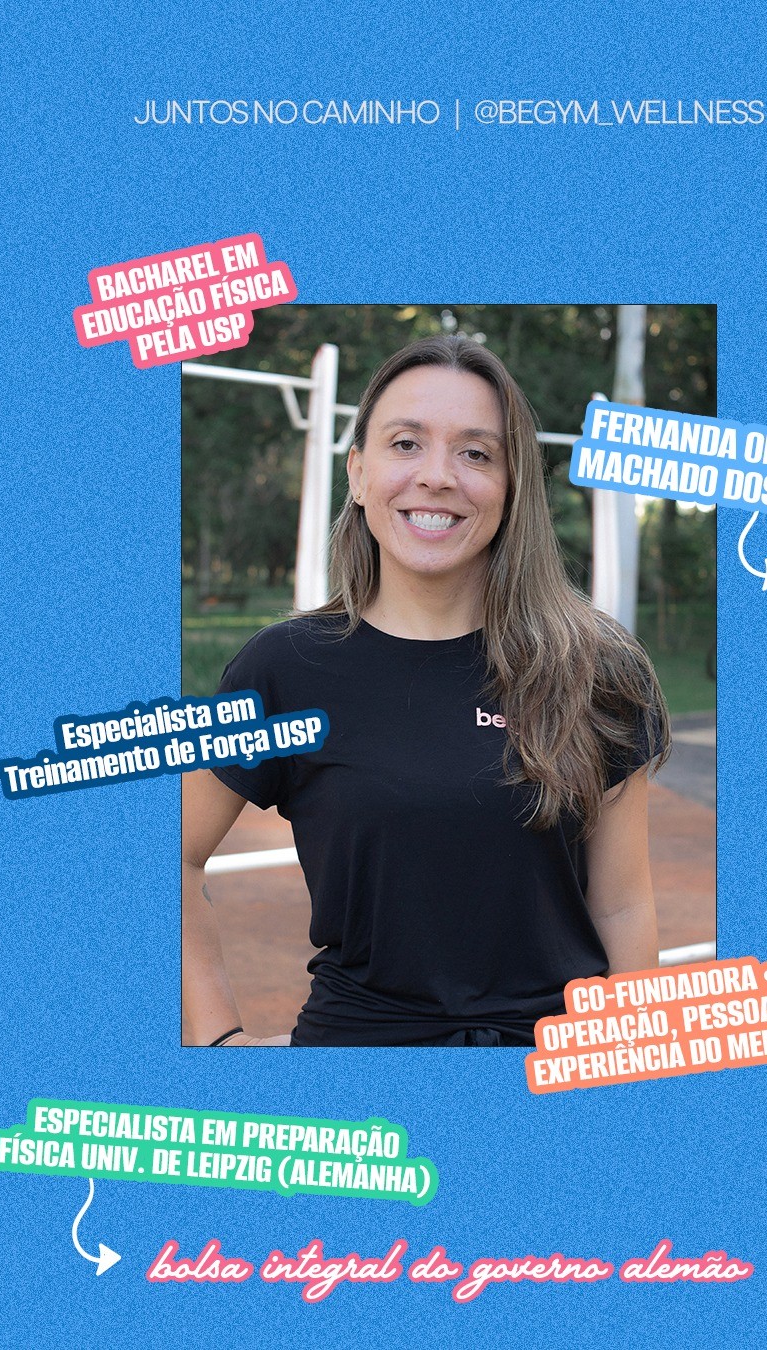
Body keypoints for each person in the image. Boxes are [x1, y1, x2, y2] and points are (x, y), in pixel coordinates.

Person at [182, 335, 670, 1047]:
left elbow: (623, 908)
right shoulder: (283, 670)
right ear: (357, 472)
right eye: (406, 443)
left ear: (510, 486)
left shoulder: (594, 668)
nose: (437, 476)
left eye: (476, 453)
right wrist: (216, 1039)